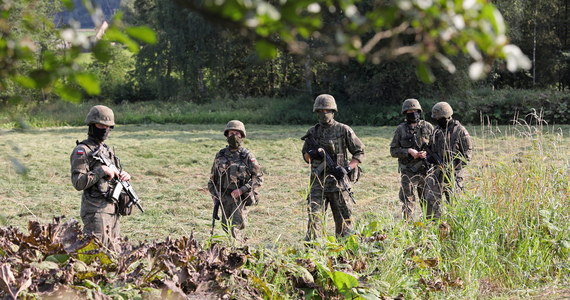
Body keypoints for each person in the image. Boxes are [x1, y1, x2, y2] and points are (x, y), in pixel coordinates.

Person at [302, 94, 365, 240]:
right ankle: (312, 254)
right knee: (314, 221)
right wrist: (312, 153)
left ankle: (344, 253)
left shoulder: (343, 130)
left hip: (339, 184)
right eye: (320, 111)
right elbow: (306, 157)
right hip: (318, 183)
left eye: (327, 110)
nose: (323, 114)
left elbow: (359, 151)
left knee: (344, 223)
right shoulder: (312, 132)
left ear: (333, 111)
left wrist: (348, 168)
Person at [70, 105, 131, 250]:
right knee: (95, 254)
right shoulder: (82, 150)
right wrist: (101, 171)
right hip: (95, 212)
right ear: (92, 125)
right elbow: (78, 182)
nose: (104, 129)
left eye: (108, 126)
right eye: (100, 125)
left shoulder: (106, 150)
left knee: (114, 254)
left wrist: (124, 176)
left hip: (112, 210)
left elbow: (113, 178)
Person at [208, 120, 263, 242]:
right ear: (227, 135)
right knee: (225, 226)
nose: (234, 136)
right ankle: (232, 249)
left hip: (240, 198)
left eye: (237, 133)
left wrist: (242, 190)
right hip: (224, 197)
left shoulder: (247, 156)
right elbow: (212, 179)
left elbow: (258, 178)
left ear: (242, 136)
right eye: (231, 133)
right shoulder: (220, 155)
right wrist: (215, 196)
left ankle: (239, 248)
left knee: (235, 227)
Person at [424, 101, 473, 219]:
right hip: (437, 171)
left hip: (454, 174)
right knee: (431, 199)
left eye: (439, 118)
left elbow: (467, 155)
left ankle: (454, 226)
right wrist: (430, 158)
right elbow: (431, 148)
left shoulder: (460, 131)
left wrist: (452, 166)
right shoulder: (436, 131)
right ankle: (434, 226)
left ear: (447, 116)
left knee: (454, 202)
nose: (437, 121)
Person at [389, 99, 434, 220]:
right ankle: (408, 227)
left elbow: (436, 147)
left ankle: (429, 226)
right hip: (408, 171)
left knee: (428, 200)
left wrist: (427, 153)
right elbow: (393, 151)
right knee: (408, 201)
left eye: (415, 110)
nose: (413, 113)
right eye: (410, 111)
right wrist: (408, 151)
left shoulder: (428, 127)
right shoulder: (400, 129)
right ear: (405, 113)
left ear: (419, 111)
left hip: (425, 170)